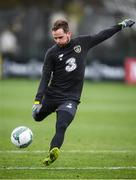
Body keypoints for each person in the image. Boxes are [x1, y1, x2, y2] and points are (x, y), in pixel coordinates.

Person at [32, 19, 135, 166]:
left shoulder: (82, 43)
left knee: (61, 125)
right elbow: (45, 77)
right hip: (52, 95)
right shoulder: (51, 53)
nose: (58, 41)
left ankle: (53, 150)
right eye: (55, 38)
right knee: (37, 117)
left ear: (69, 34)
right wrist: (37, 101)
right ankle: (40, 113)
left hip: (70, 98)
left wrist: (121, 25)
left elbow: (103, 35)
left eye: (60, 37)